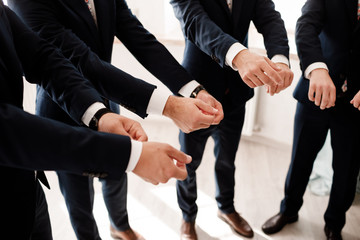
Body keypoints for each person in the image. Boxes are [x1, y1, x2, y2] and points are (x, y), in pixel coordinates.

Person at [8, 0, 224, 239]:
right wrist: (169, 108)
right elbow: (79, 60)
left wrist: (191, 90)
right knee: (79, 198)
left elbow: (137, 37)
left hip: (103, 107)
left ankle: (120, 226)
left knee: (116, 178)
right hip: (61, 115)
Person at [169, 0, 293, 239]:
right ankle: (188, 217)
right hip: (197, 93)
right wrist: (240, 56)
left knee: (227, 160)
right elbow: (195, 22)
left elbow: (269, 18)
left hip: (235, 94)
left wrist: (280, 59)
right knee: (188, 162)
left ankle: (226, 208)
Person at [261, 0, 360, 239]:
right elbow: (305, 26)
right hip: (316, 91)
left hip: (356, 103)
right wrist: (317, 68)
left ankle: (334, 224)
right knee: (300, 159)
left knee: (347, 171)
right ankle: (288, 211)